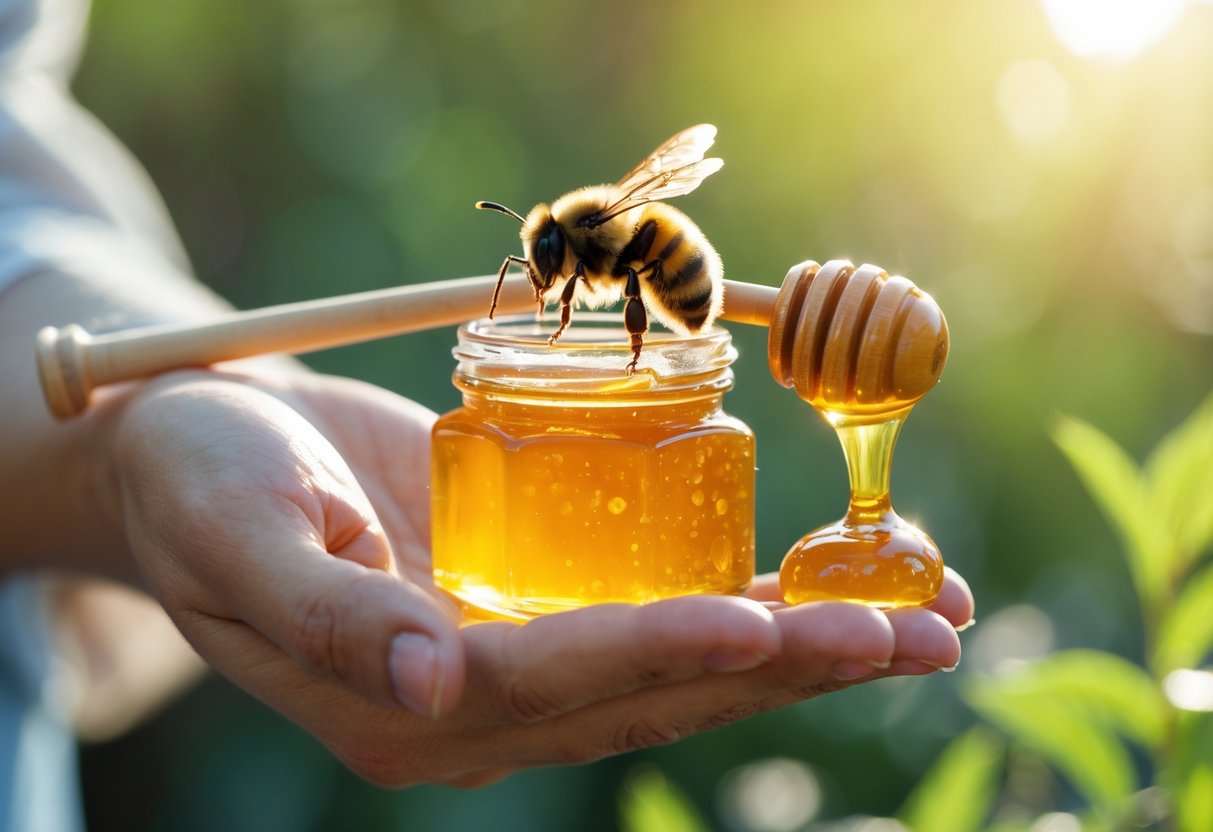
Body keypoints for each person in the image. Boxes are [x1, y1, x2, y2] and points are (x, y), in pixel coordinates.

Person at [0, 0, 974, 828]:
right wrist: (146, 442)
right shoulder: (500, 388)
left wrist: (132, 446)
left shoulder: (628, 292)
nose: (547, 286)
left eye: (549, 272)